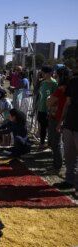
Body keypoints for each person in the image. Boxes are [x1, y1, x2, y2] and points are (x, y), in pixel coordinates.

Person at [56, 50, 78, 196]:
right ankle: (69, 180)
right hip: (70, 123)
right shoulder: (74, 81)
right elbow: (68, 103)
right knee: (69, 156)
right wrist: (61, 121)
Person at [47, 66, 70, 172]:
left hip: (57, 118)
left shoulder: (61, 89)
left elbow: (49, 102)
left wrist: (50, 100)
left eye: (56, 74)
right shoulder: (71, 87)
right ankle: (59, 163)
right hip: (65, 118)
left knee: (55, 142)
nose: (54, 76)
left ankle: (57, 165)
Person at [37, 65, 58, 149]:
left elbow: (56, 98)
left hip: (49, 110)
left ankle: (50, 144)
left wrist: (52, 109)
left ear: (49, 73)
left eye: (43, 73)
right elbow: (40, 95)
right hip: (41, 108)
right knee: (42, 127)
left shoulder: (54, 83)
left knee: (50, 128)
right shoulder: (43, 82)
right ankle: (42, 143)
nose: (41, 74)